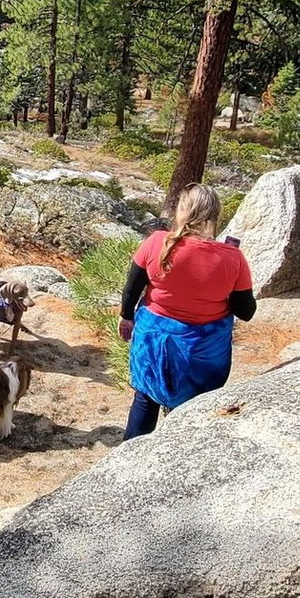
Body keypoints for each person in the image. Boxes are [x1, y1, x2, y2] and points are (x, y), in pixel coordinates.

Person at [117, 184, 256, 440]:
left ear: (181, 211)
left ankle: (127, 460)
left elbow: (131, 290)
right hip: (203, 354)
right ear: (215, 216)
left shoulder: (157, 241)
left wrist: (126, 317)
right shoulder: (232, 258)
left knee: (145, 399)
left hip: (152, 341)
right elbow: (246, 311)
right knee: (190, 411)